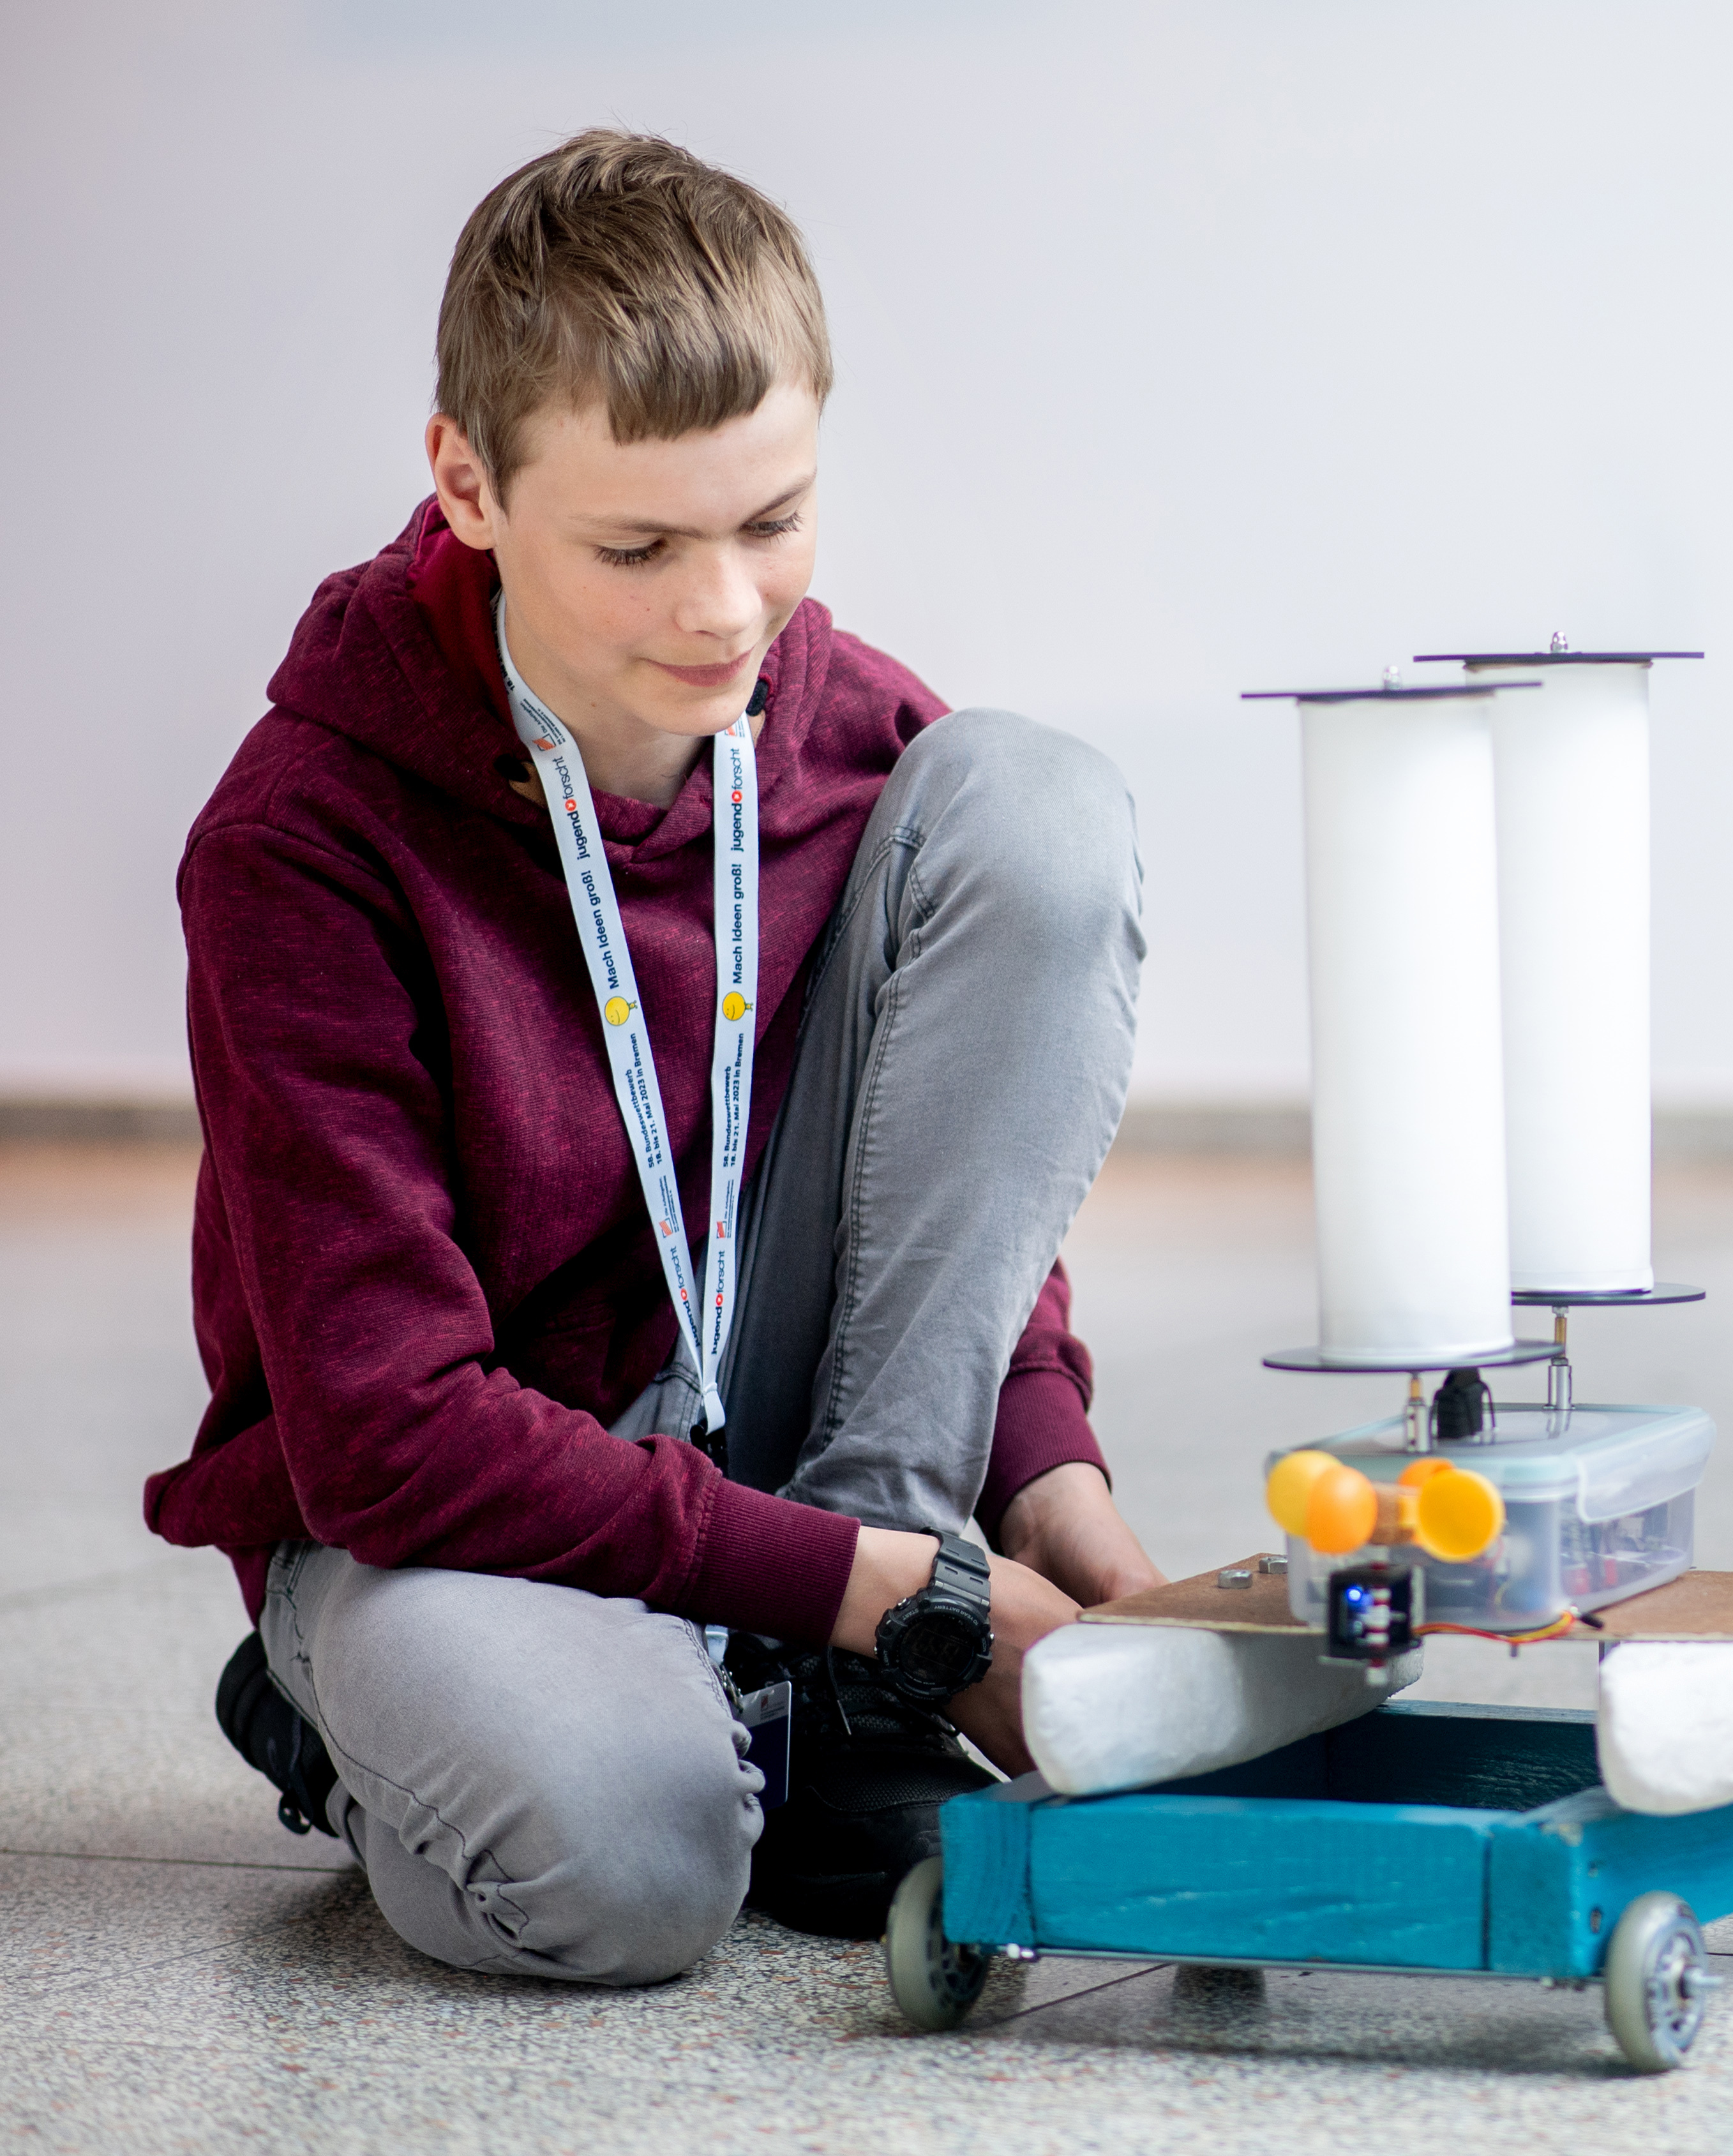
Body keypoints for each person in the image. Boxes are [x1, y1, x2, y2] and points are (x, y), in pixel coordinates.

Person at [144, 131, 1163, 1983]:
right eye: (638, 546)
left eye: (771, 519)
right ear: (466, 483)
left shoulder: (851, 735)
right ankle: (337, 1705)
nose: (725, 612)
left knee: (1037, 806)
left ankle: (831, 1708)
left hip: (774, 1450)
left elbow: (946, 1208)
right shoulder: (298, 839)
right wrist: (885, 1598)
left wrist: (1071, 1524)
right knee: (627, 1873)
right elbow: (387, 1428)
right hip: (453, 1504)